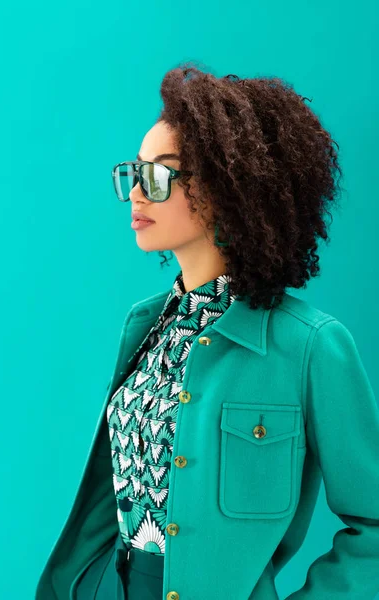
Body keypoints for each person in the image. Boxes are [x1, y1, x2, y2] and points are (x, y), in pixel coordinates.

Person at [36, 62, 379, 600]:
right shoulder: (147, 326)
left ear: (228, 186)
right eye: (134, 171)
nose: (135, 194)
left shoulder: (310, 346)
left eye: (158, 174)